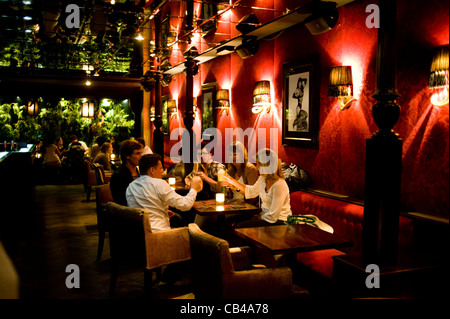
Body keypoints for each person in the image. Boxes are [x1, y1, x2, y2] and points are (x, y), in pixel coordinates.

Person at [126, 154, 203, 231]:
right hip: (160, 234)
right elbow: (185, 205)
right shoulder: (159, 184)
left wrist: (163, 211)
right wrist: (194, 189)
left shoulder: (131, 186)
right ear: (152, 170)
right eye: (160, 168)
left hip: (138, 233)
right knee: (192, 232)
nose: (162, 172)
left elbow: (144, 206)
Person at [223, 148, 292, 228]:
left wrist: (257, 218)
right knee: (229, 220)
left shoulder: (279, 185)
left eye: (259, 164)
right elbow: (251, 192)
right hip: (264, 216)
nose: (257, 166)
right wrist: (232, 182)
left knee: (240, 226)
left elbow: (273, 216)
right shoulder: (263, 178)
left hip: (279, 221)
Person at [110, 139, 143, 206]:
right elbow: (122, 202)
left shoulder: (137, 171)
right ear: (127, 156)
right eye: (137, 153)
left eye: (141, 153)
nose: (141, 156)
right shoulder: (118, 176)